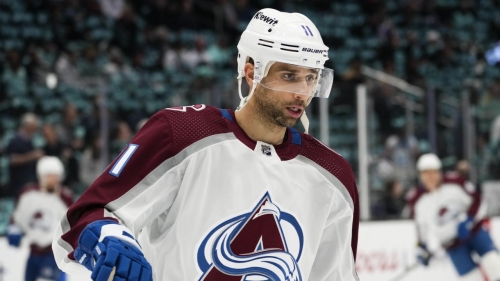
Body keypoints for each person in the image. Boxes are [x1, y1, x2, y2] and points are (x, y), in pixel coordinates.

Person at [53, 8, 360, 281]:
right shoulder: (182, 134)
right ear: (252, 72)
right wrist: (108, 235)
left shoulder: (333, 175)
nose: (301, 93)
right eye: (289, 75)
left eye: (311, 78)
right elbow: (87, 217)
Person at [413, 153, 500, 281]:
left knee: (495, 265)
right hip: (452, 244)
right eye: (426, 173)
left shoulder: (455, 182)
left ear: (439, 172)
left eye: (433, 172)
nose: (430, 177)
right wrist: (422, 248)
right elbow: (421, 228)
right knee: (470, 278)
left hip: (475, 232)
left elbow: (478, 201)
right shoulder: (416, 199)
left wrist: (469, 220)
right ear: (420, 175)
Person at [8, 156, 73, 281]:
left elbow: (72, 223)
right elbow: (18, 217)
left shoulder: (65, 197)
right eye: (50, 176)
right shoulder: (28, 194)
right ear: (41, 176)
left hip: (53, 254)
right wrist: (14, 228)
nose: (54, 180)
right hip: (33, 253)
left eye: (56, 176)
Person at [5, 113, 44, 198]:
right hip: (18, 183)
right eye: (34, 126)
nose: (35, 129)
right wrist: (32, 156)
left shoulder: (29, 140)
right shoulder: (15, 140)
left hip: (28, 180)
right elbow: (12, 160)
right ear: (27, 126)